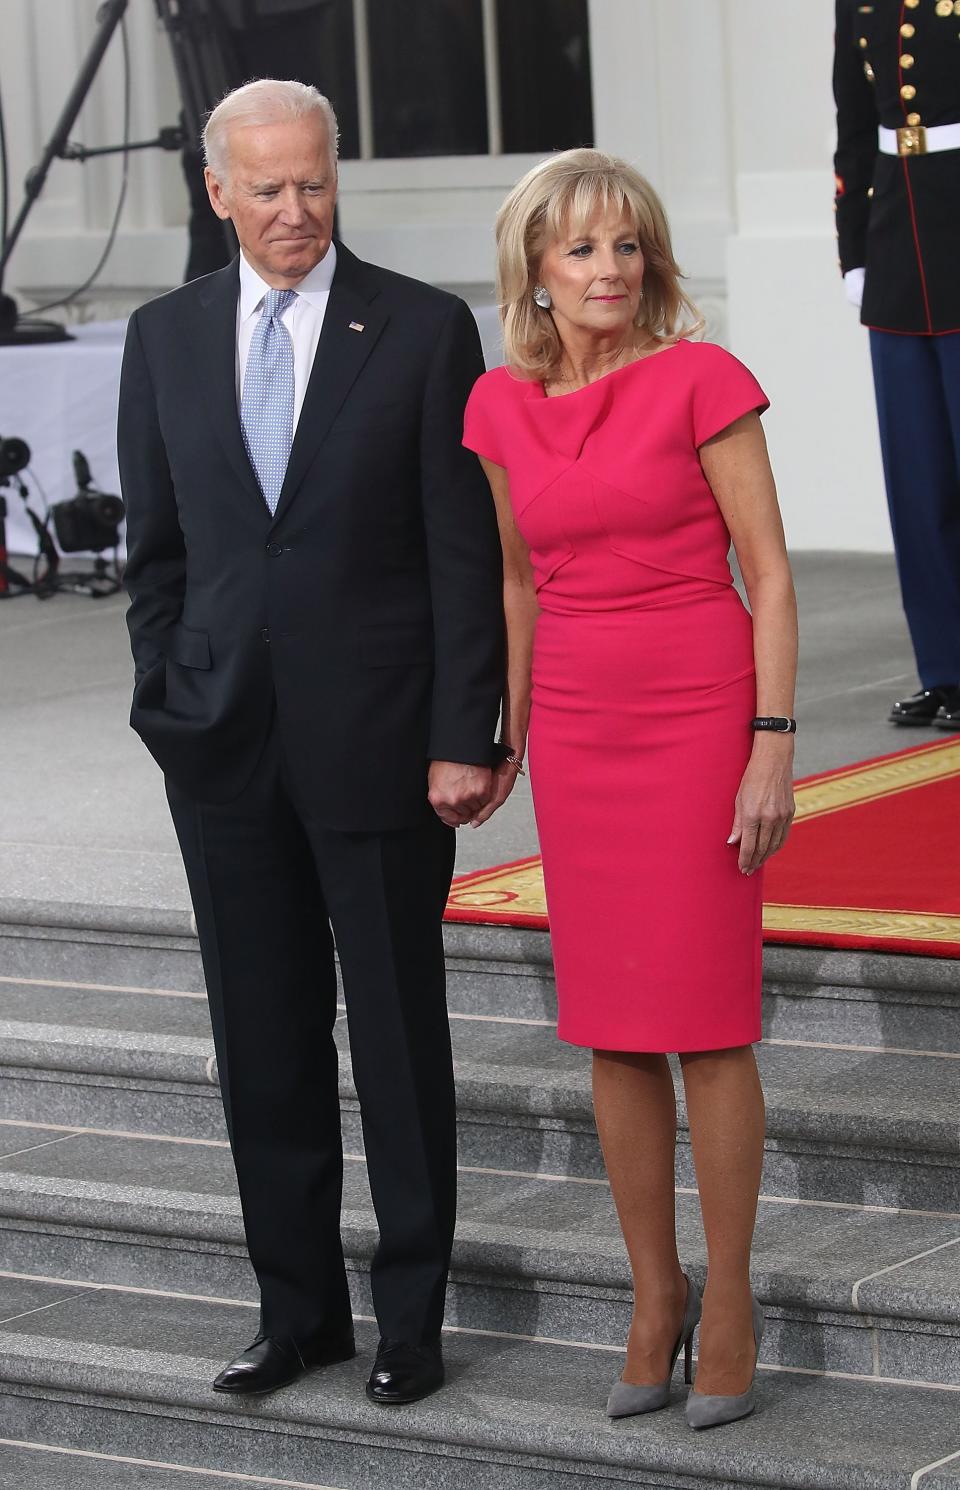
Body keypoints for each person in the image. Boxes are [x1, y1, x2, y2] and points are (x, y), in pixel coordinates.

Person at [119, 79, 504, 1406]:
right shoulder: (163, 336)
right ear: (216, 190)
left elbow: (464, 546)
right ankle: (298, 1314)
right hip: (223, 748)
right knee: (262, 1038)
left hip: (386, 739)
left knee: (397, 1034)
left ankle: (409, 1315)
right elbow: (156, 553)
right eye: (268, 189)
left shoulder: (421, 326)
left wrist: (468, 730)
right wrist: (166, 693)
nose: (296, 211)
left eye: (315, 184)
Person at [464, 149, 797, 1430]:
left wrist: (771, 740)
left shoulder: (704, 381)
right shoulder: (499, 407)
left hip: (704, 710)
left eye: (628, 245)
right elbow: (520, 583)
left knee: (708, 1017)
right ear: (536, 272)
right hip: (583, 733)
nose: (610, 270)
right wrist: (513, 735)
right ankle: (652, 1295)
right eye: (581, 249)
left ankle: (730, 1303)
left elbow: (767, 573)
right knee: (612, 1022)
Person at [834, 0, 960, 729]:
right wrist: (855, 251)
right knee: (918, 482)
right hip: (897, 252)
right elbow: (854, 126)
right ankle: (945, 669)